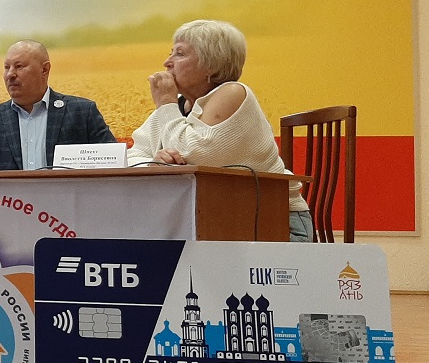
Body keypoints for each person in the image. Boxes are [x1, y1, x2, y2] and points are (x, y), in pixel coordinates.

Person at [125, 20, 312, 242]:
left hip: (274, 224)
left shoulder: (233, 93)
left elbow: (194, 155)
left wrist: (165, 102)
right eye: (170, 53)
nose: (167, 63)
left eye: (180, 54)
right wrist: (153, 163)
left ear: (211, 65)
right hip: (216, 223)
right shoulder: (175, 107)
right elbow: (132, 156)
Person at [0, 39, 115, 169]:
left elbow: (114, 162)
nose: (10, 74)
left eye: (19, 66)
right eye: (7, 67)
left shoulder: (81, 113)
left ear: (44, 70)